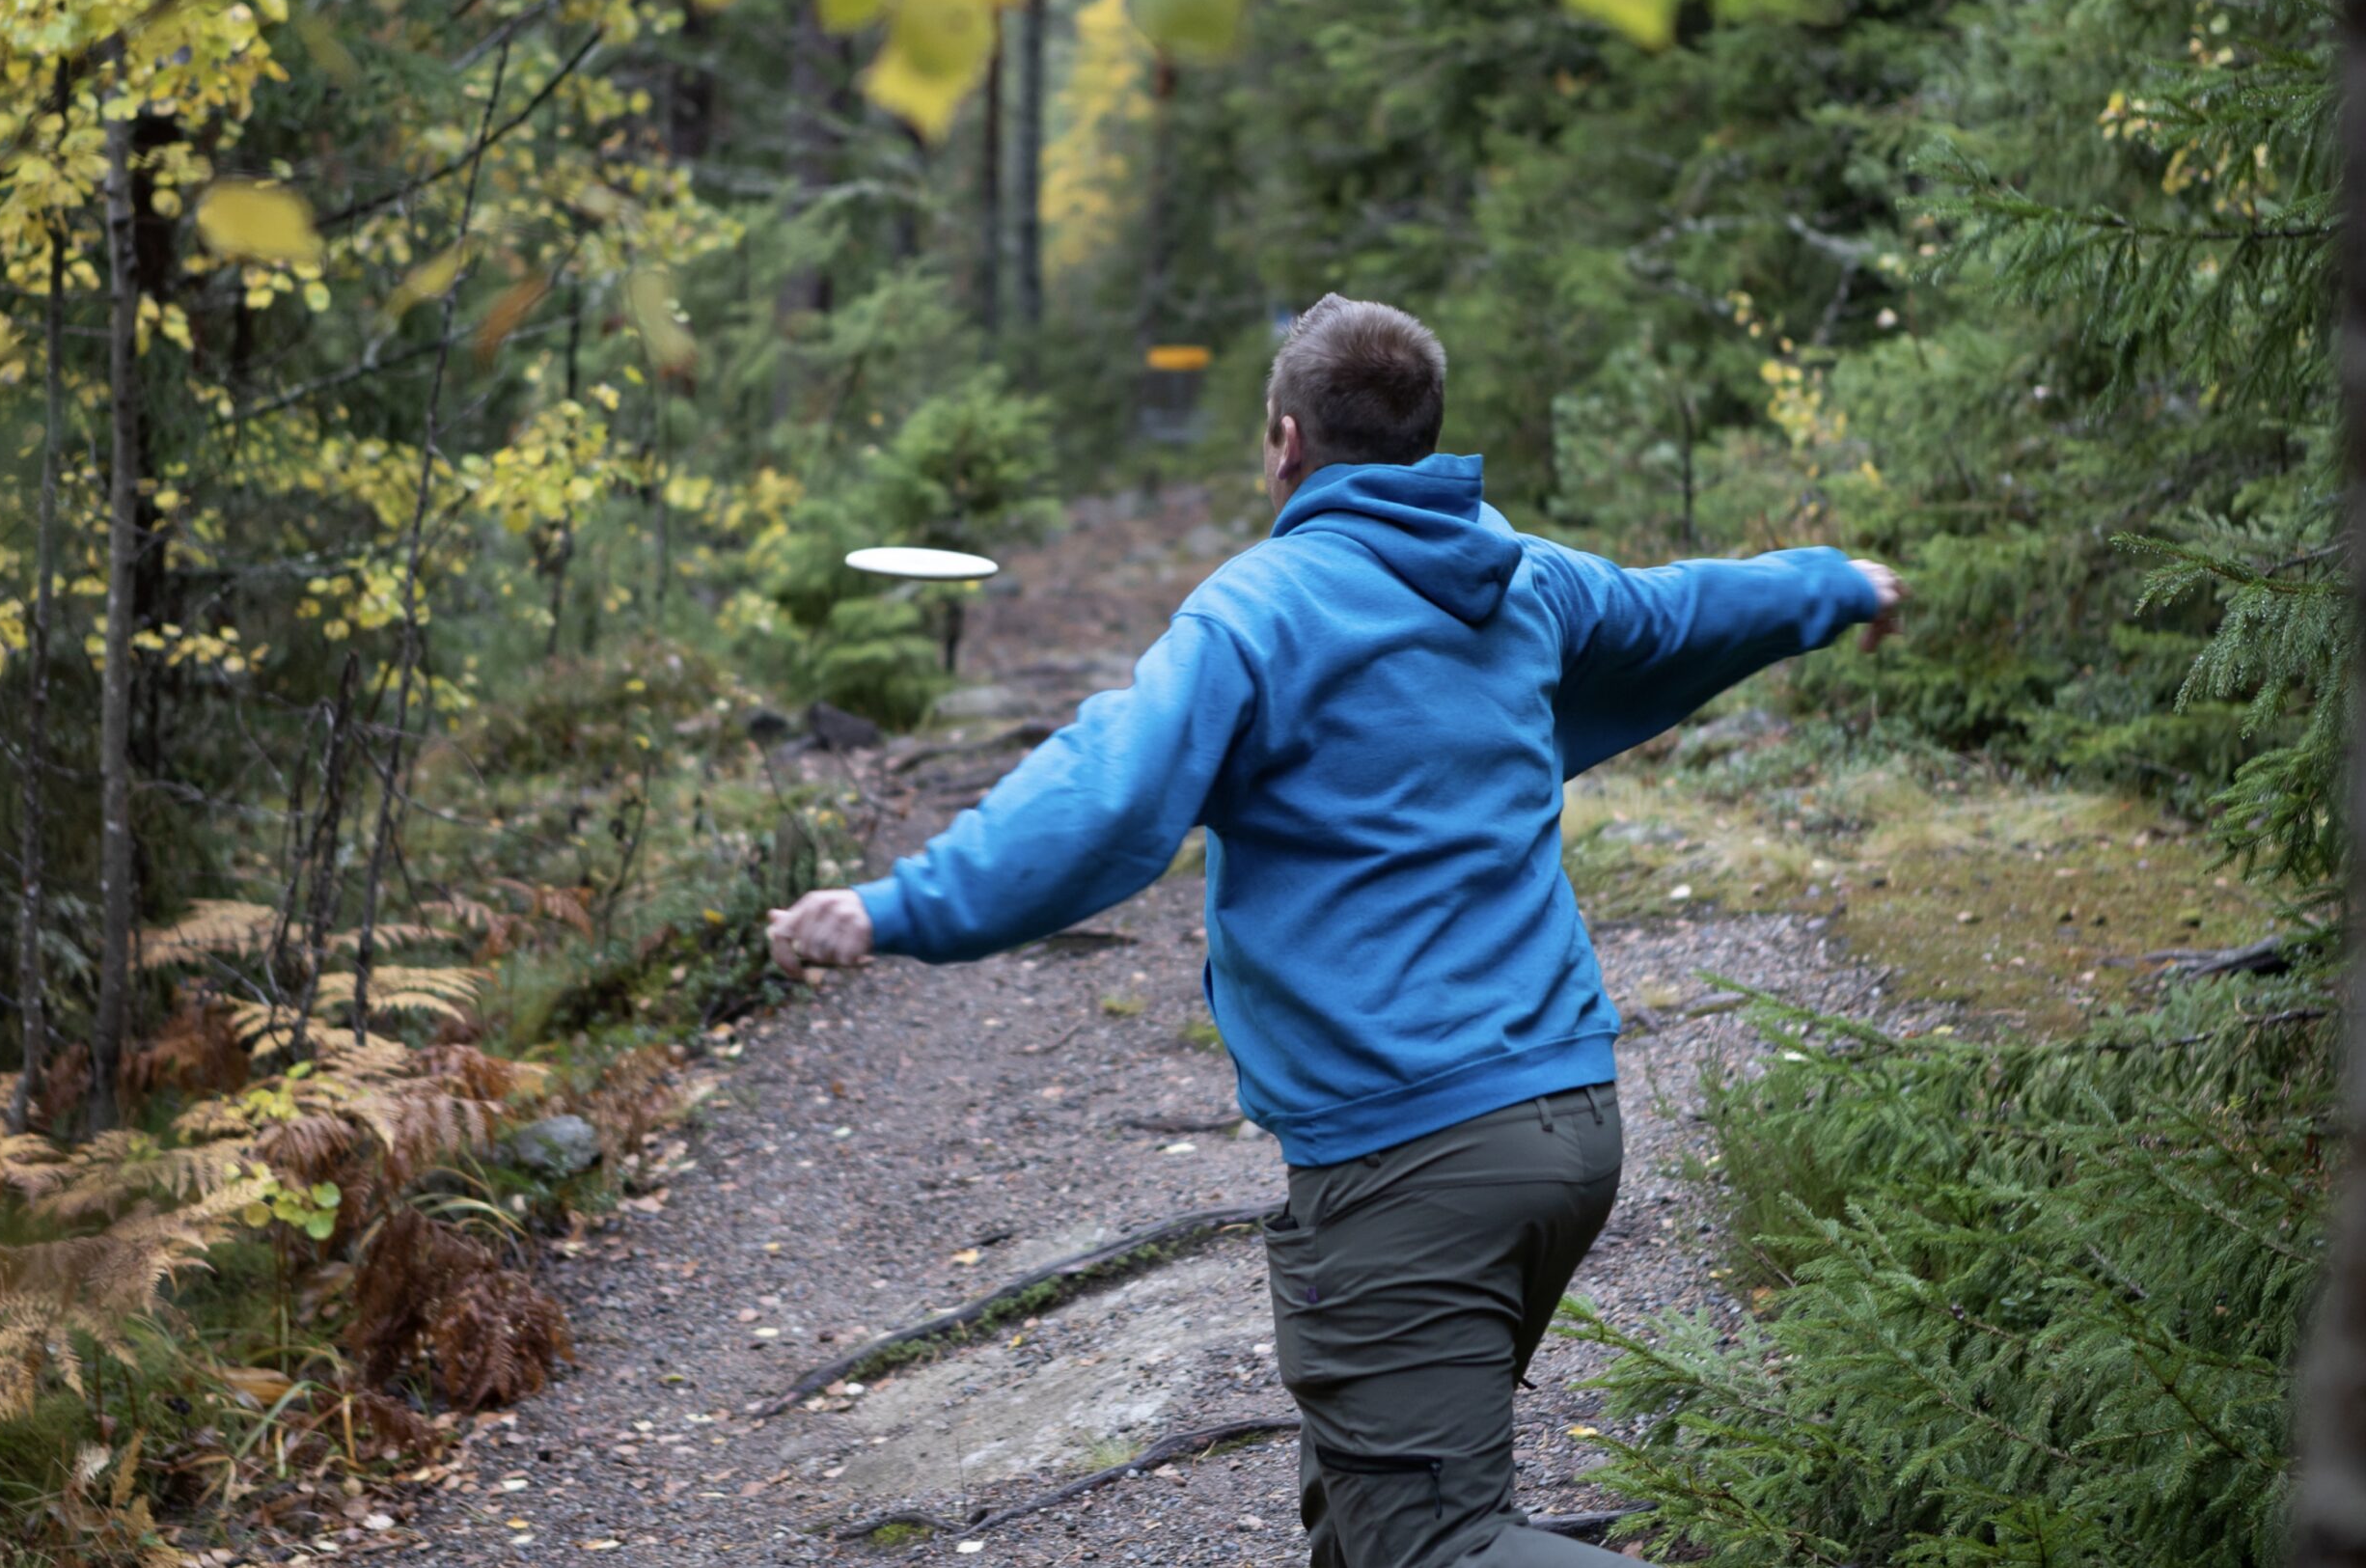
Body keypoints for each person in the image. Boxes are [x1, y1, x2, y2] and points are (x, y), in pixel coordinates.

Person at [768, 294, 1906, 1567]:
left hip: (1415, 1155)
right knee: (1364, 1521)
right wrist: (1827, 583)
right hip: (1568, 1123)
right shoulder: (1519, 575)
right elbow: (1680, 609)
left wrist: (896, 904)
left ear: (1286, 439)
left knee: (1432, 1544)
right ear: (1421, 435)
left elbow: (1104, 786)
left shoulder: (1258, 610)